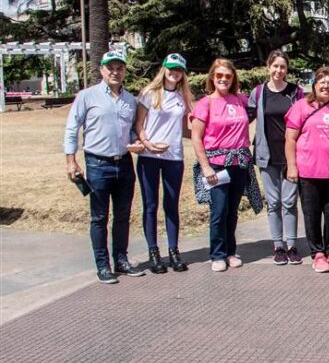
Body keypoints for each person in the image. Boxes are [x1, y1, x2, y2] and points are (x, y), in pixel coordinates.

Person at [64, 50, 145, 284]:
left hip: (124, 163)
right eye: (110, 68)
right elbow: (72, 128)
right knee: (99, 217)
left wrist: (136, 141)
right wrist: (71, 160)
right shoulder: (87, 96)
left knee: (123, 215)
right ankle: (103, 265)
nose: (115, 72)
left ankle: (121, 259)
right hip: (98, 163)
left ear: (124, 71)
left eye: (119, 68)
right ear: (101, 70)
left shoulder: (130, 100)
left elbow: (131, 130)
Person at [285, 67, 329, 273]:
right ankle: (317, 254)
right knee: (312, 214)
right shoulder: (301, 107)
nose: (326, 86)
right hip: (308, 172)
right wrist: (291, 166)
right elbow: (290, 138)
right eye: (322, 82)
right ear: (314, 85)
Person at [134, 53, 193, 273]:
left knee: (172, 204)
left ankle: (174, 251)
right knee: (150, 205)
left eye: (178, 69)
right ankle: (153, 252)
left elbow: (187, 129)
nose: (173, 72)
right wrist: (146, 143)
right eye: (170, 68)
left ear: (182, 73)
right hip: (149, 157)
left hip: (173, 157)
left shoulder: (183, 97)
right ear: (164, 69)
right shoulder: (149, 94)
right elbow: (139, 124)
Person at [191, 58, 251, 272]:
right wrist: (206, 167)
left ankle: (230, 251)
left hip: (239, 164)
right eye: (219, 76)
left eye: (227, 76)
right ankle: (217, 253)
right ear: (212, 78)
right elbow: (196, 138)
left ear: (233, 78)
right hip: (216, 165)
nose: (223, 79)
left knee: (232, 211)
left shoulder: (240, 100)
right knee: (219, 210)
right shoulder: (205, 103)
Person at [248, 50, 304, 266]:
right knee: (273, 202)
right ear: (268, 67)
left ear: (287, 70)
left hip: (291, 155)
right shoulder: (259, 92)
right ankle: (278, 246)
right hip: (267, 154)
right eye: (275, 66)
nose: (279, 70)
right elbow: (246, 117)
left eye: (283, 67)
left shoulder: (296, 92)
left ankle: (292, 245)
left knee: (289, 202)